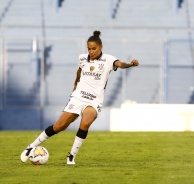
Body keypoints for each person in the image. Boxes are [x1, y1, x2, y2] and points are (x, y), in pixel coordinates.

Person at [20, 30, 139, 165]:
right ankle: (31, 147)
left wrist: (130, 64)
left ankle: (71, 156)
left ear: (101, 47)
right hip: (78, 97)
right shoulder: (82, 58)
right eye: (89, 49)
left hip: (94, 100)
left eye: (94, 48)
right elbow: (80, 70)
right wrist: (75, 82)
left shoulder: (108, 60)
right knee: (59, 126)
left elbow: (120, 64)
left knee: (85, 122)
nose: (91, 51)